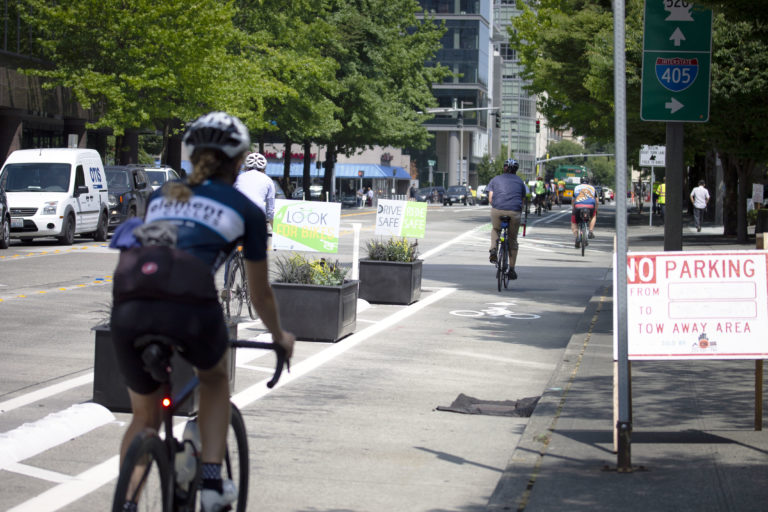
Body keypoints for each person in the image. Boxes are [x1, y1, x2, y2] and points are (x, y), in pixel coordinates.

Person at [109, 112, 295, 512]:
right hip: (189, 308)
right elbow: (260, 295)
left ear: (192, 154)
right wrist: (280, 336)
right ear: (239, 159)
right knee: (212, 379)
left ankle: (124, 503)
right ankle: (211, 481)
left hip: (129, 305)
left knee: (144, 419)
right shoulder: (244, 210)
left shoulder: (164, 196)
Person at [487, 159, 528, 280]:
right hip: (514, 211)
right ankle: (512, 269)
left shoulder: (495, 179)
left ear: (504, 168)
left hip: (497, 210)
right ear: (516, 170)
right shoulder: (520, 182)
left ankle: (494, 249)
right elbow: (522, 201)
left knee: (495, 229)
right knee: (512, 240)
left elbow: (490, 199)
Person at [235, 152, 275, 249]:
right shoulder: (268, 180)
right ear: (264, 168)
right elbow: (270, 210)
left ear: (245, 166)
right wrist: (274, 229)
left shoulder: (238, 178)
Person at [571, 176, 597, 248]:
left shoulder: (576, 188)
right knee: (594, 215)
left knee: (574, 222)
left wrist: (573, 208)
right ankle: (591, 231)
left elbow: (573, 200)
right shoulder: (592, 188)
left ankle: (577, 237)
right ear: (588, 182)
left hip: (578, 206)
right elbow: (596, 200)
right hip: (590, 206)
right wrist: (596, 209)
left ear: (580, 181)